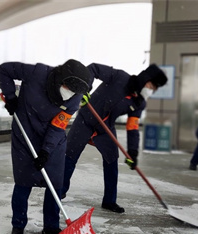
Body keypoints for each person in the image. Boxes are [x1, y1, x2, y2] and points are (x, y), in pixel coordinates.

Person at [0, 59, 92, 234]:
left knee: (55, 184)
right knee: (23, 182)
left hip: (53, 141)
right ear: (61, 79)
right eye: (68, 88)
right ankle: (18, 225)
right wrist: (11, 98)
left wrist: (46, 151)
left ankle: (51, 227)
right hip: (24, 134)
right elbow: (4, 70)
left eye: (74, 91)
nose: (69, 93)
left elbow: (58, 126)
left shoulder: (75, 97)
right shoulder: (36, 73)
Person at [62, 63, 168, 213]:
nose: (151, 91)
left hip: (105, 127)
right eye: (151, 86)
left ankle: (109, 200)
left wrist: (133, 152)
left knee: (112, 160)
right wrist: (86, 89)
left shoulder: (139, 103)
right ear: (145, 78)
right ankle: (61, 190)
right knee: (70, 155)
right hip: (86, 119)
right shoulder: (119, 77)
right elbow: (93, 68)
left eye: (154, 89)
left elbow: (133, 127)